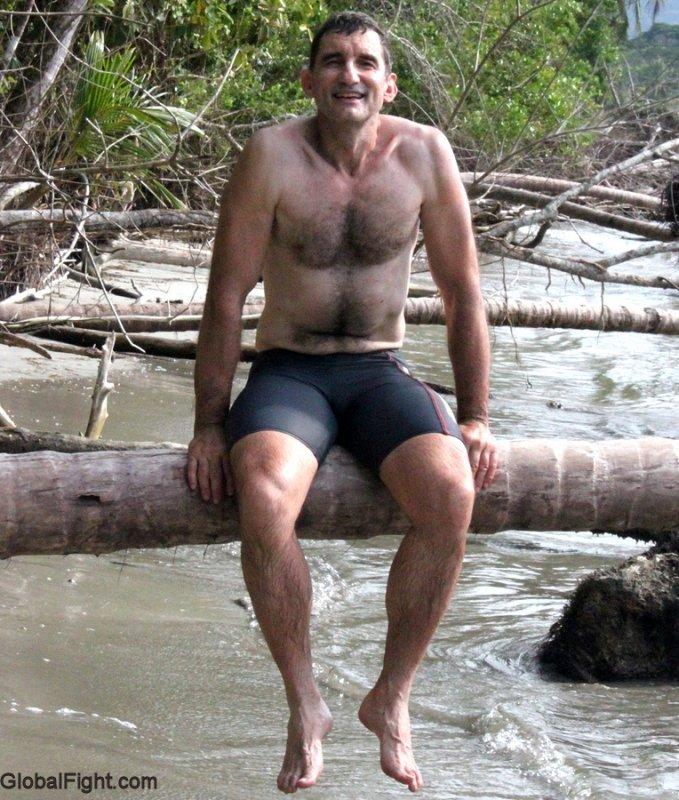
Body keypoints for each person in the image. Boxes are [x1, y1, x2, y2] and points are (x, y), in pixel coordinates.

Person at [186, 11, 498, 794]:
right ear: (308, 79)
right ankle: (306, 702)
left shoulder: (424, 155)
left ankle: (391, 697)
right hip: (290, 375)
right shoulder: (270, 156)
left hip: (378, 373)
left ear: (387, 83)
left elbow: (463, 296)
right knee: (261, 496)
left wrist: (477, 416)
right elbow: (227, 297)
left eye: (364, 62)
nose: (348, 74)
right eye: (332, 61)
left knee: (452, 489)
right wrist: (206, 425)